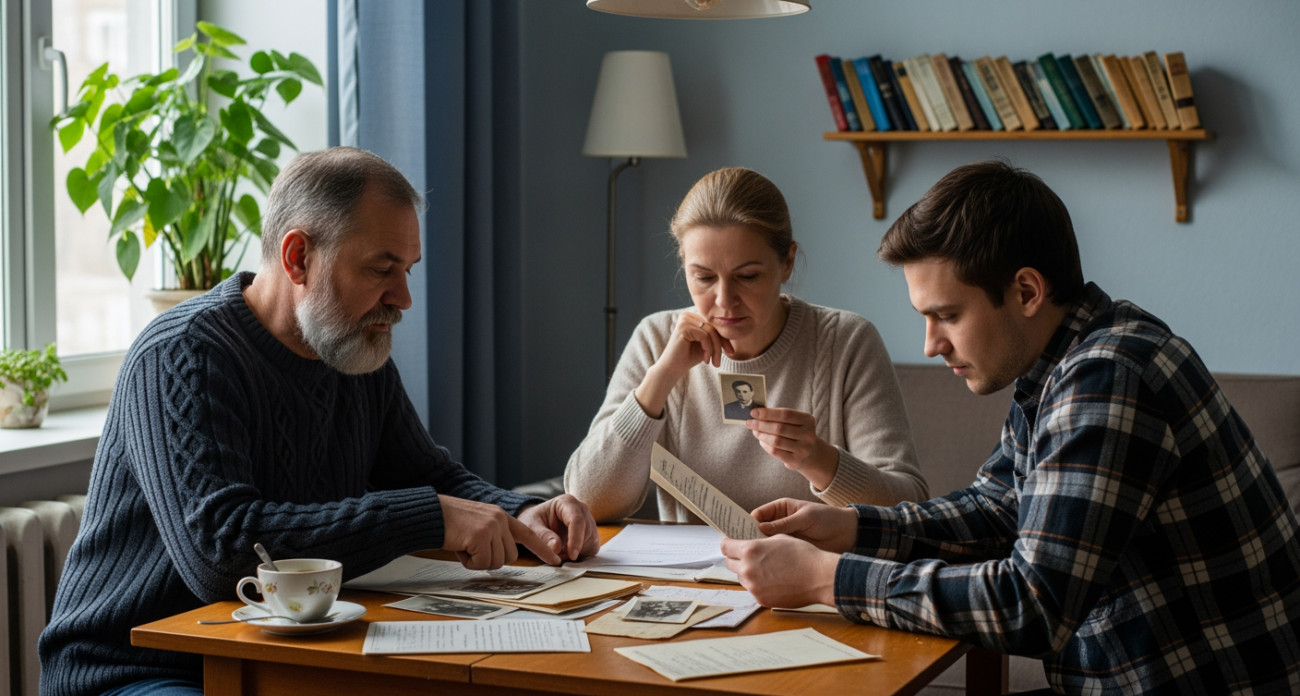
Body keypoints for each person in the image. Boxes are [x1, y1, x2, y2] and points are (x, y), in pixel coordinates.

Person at [721, 161, 1300, 695]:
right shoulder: (1067, 360)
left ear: (1026, 291)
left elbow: (1029, 606)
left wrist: (830, 579)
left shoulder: (1107, 378)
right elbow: (998, 510)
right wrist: (851, 528)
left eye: (947, 315)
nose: (930, 344)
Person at [39, 147, 601, 696]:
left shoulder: (352, 345)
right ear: (298, 257)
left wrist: (520, 513)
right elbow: (224, 553)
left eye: (407, 270)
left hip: (280, 645)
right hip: (135, 668)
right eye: (382, 268)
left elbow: (430, 477)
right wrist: (428, 517)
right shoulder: (184, 354)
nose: (403, 298)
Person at [565, 167, 927, 523]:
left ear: (787, 263)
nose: (724, 300)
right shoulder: (656, 338)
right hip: (689, 581)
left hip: (808, 574)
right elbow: (588, 502)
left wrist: (817, 459)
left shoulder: (847, 341)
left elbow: (909, 507)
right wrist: (661, 378)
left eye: (747, 276)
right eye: (703, 277)